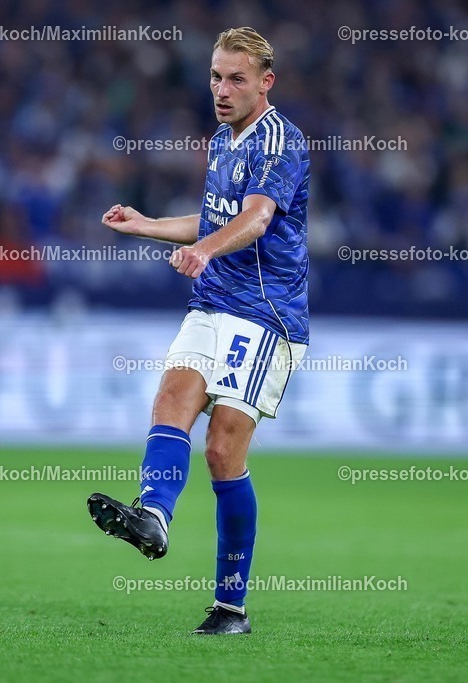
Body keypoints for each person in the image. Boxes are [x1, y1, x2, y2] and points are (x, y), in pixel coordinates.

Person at [88, 27, 310, 635]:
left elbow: (258, 218)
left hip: (266, 314)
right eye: (216, 76)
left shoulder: (281, 141)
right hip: (211, 302)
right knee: (172, 397)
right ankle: (154, 515)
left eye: (236, 78)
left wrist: (208, 250)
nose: (222, 88)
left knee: (221, 451)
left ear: (265, 81)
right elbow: (211, 219)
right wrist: (148, 225)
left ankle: (230, 607)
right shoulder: (221, 140)